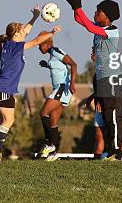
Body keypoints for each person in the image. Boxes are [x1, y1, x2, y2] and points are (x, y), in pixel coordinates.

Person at [0, 6, 62, 161]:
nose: (25, 31)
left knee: (2, 121)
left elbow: (27, 31)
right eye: (21, 30)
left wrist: (35, 16)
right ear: (15, 34)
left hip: (3, 88)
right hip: (3, 88)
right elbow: (36, 40)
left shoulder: (9, 45)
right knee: (9, 120)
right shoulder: (16, 46)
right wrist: (51, 33)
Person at [64, 0, 122, 160]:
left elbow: (89, 27)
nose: (95, 13)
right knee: (105, 117)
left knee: (112, 116)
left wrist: (79, 8)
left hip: (113, 78)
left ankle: (117, 152)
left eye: (98, 11)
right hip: (102, 79)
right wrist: (76, 5)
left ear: (106, 16)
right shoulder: (99, 26)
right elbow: (79, 20)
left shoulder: (113, 31)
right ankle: (113, 152)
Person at [37, 33, 77, 161]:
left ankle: (49, 144)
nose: (38, 47)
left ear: (48, 44)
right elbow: (58, 67)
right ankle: (52, 153)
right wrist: (46, 65)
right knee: (53, 121)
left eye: (40, 44)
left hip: (62, 88)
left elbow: (73, 64)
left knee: (43, 113)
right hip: (59, 89)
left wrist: (73, 83)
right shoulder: (52, 56)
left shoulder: (56, 51)